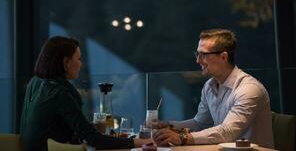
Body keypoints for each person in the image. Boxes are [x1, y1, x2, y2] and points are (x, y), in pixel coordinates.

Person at [20, 36, 151, 151]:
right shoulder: (60, 94)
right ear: (66, 62)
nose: (81, 64)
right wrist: (140, 142)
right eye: (78, 59)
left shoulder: (36, 83)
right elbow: (95, 140)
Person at [152, 29, 274, 148]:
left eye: (203, 55)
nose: (198, 60)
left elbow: (228, 132)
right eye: (197, 54)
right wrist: (169, 126)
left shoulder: (249, 89)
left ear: (223, 57)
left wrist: (182, 138)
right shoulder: (209, 86)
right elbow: (200, 123)